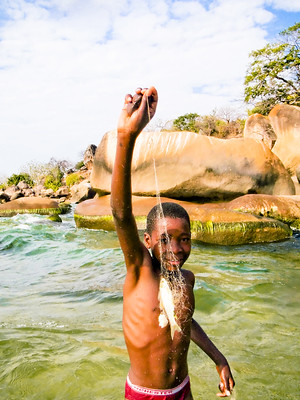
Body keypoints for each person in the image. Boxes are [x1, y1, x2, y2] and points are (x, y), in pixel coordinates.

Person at [111, 87, 235, 400]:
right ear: (147, 240)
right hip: (144, 394)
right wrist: (127, 135)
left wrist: (219, 359)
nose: (176, 249)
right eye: (165, 240)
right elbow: (121, 213)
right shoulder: (140, 273)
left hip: (182, 389)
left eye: (184, 239)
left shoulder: (186, 280)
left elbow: (186, 323)